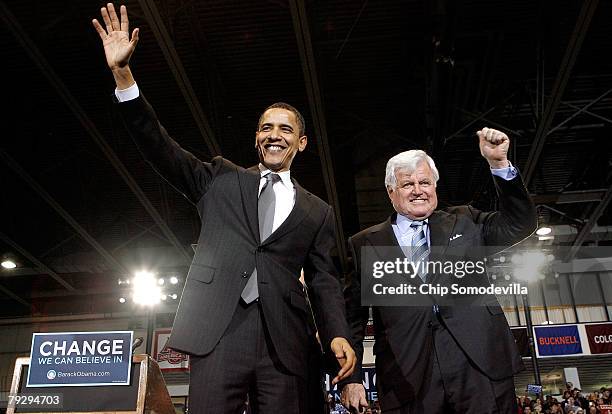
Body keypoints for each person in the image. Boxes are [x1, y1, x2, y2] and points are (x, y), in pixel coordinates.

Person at [91, 4, 355, 413]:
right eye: (266, 128)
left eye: (286, 129)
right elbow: (159, 148)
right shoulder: (220, 178)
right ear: (256, 139)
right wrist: (123, 76)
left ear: (301, 143)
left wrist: (337, 334)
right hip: (218, 331)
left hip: (285, 341)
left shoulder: (317, 211)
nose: (274, 135)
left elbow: (324, 281)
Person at [341, 128, 537, 413]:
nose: (418, 190)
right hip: (409, 374)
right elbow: (353, 320)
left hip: (479, 363)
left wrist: (498, 164)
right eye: (408, 184)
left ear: (435, 185)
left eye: (425, 182)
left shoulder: (466, 220)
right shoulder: (364, 244)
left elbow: (520, 224)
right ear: (390, 191)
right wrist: (354, 378)